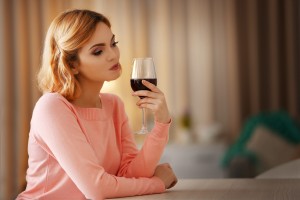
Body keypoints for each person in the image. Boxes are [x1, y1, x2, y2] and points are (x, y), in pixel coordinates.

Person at [17, 9, 177, 200]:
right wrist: (158, 183)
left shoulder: (113, 105)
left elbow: (130, 174)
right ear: (72, 65)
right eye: (98, 51)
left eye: (113, 44)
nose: (113, 55)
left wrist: (161, 124)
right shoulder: (52, 107)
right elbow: (97, 188)